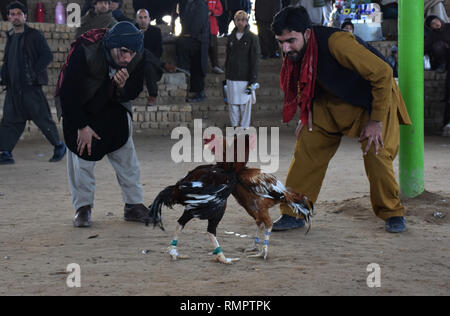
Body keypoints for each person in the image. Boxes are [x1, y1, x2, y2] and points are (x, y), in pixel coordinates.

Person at [271, 6, 412, 233]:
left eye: (290, 41)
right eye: (281, 42)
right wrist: (305, 115)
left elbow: (383, 74)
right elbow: (305, 83)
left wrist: (376, 121)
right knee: (308, 144)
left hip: (373, 102)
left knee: (376, 152)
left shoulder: (338, 42)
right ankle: (294, 212)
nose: (285, 48)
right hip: (329, 103)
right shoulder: (296, 51)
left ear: (307, 33)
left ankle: (392, 212)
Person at [59, 21, 150, 227]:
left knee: (127, 158)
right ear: (112, 45)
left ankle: (133, 205)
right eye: (124, 52)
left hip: (114, 109)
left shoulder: (137, 56)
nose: (127, 58)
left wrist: (123, 86)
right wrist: (81, 126)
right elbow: (68, 93)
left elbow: (134, 91)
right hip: (81, 109)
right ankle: (82, 208)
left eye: (132, 53)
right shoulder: (85, 50)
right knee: (81, 160)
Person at [0, 1, 66, 165]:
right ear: (9, 17)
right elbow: (7, 61)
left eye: (18, 14)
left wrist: (34, 73)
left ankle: (59, 146)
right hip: (13, 89)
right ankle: (5, 152)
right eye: (12, 14)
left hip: (30, 87)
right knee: (10, 121)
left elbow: (47, 55)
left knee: (42, 118)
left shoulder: (34, 35)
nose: (15, 17)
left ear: (25, 16)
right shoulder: (11, 36)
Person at [225, 10, 260, 129]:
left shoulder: (252, 38)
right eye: (238, 20)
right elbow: (228, 56)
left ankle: (245, 128)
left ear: (247, 21)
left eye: (243, 20)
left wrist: (253, 79)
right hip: (231, 76)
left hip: (245, 77)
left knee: (245, 105)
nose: (240, 22)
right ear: (234, 21)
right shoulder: (230, 37)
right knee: (232, 104)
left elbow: (255, 59)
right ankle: (235, 126)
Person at [135, 8, 177, 106]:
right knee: (142, 52)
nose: (143, 20)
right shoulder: (132, 31)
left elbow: (159, 52)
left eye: (145, 17)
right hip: (135, 63)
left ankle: (152, 96)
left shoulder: (156, 31)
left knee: (148, 64)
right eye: (140, 18)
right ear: (136, 19)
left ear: (149, 19)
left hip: (151, 64)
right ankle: (164, 65)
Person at [176, 0, 210, 103]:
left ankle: (200, 92)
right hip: (192, 39)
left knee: (198, 67)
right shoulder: (189, 3)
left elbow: (198, 22)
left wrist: (190, 34)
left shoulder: (200, 4)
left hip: (198, 41)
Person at [208, 0, 225, 74]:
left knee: (213, 48)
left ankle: (215, 66)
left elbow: (220, 11)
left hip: (212, 28)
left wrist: (212, 12)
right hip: (201, 28)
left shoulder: (215, 0)